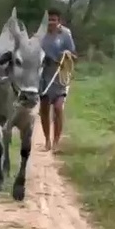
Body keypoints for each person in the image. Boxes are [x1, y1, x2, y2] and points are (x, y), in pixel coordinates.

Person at [39, 8, 77, 153]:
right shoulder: (40, 35)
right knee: (44, 108)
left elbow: (74, 55)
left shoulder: (65, 34)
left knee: (58, 108)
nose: (51, 23)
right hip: (43, 75)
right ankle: (47, 140)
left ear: (59, 21)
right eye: (48, 20)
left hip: (60, 74)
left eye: (54, 20)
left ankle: (56, 142)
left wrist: (67, 55)